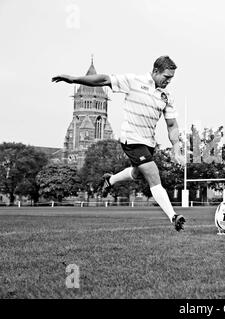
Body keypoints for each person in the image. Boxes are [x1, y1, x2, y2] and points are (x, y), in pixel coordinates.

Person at [52, 56, 186, 231]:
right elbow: (105, 79)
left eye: (171, 78)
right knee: (153, 173)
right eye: (166, 77)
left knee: (139, 173)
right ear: (155, 71)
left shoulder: (166, 96)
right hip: (131, 139)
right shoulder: (133, 81)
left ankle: (110, 180)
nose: (168, 81)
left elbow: (172, 125)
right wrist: (74, 79)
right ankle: (173, 217)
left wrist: (176, 149)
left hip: (148, 142)